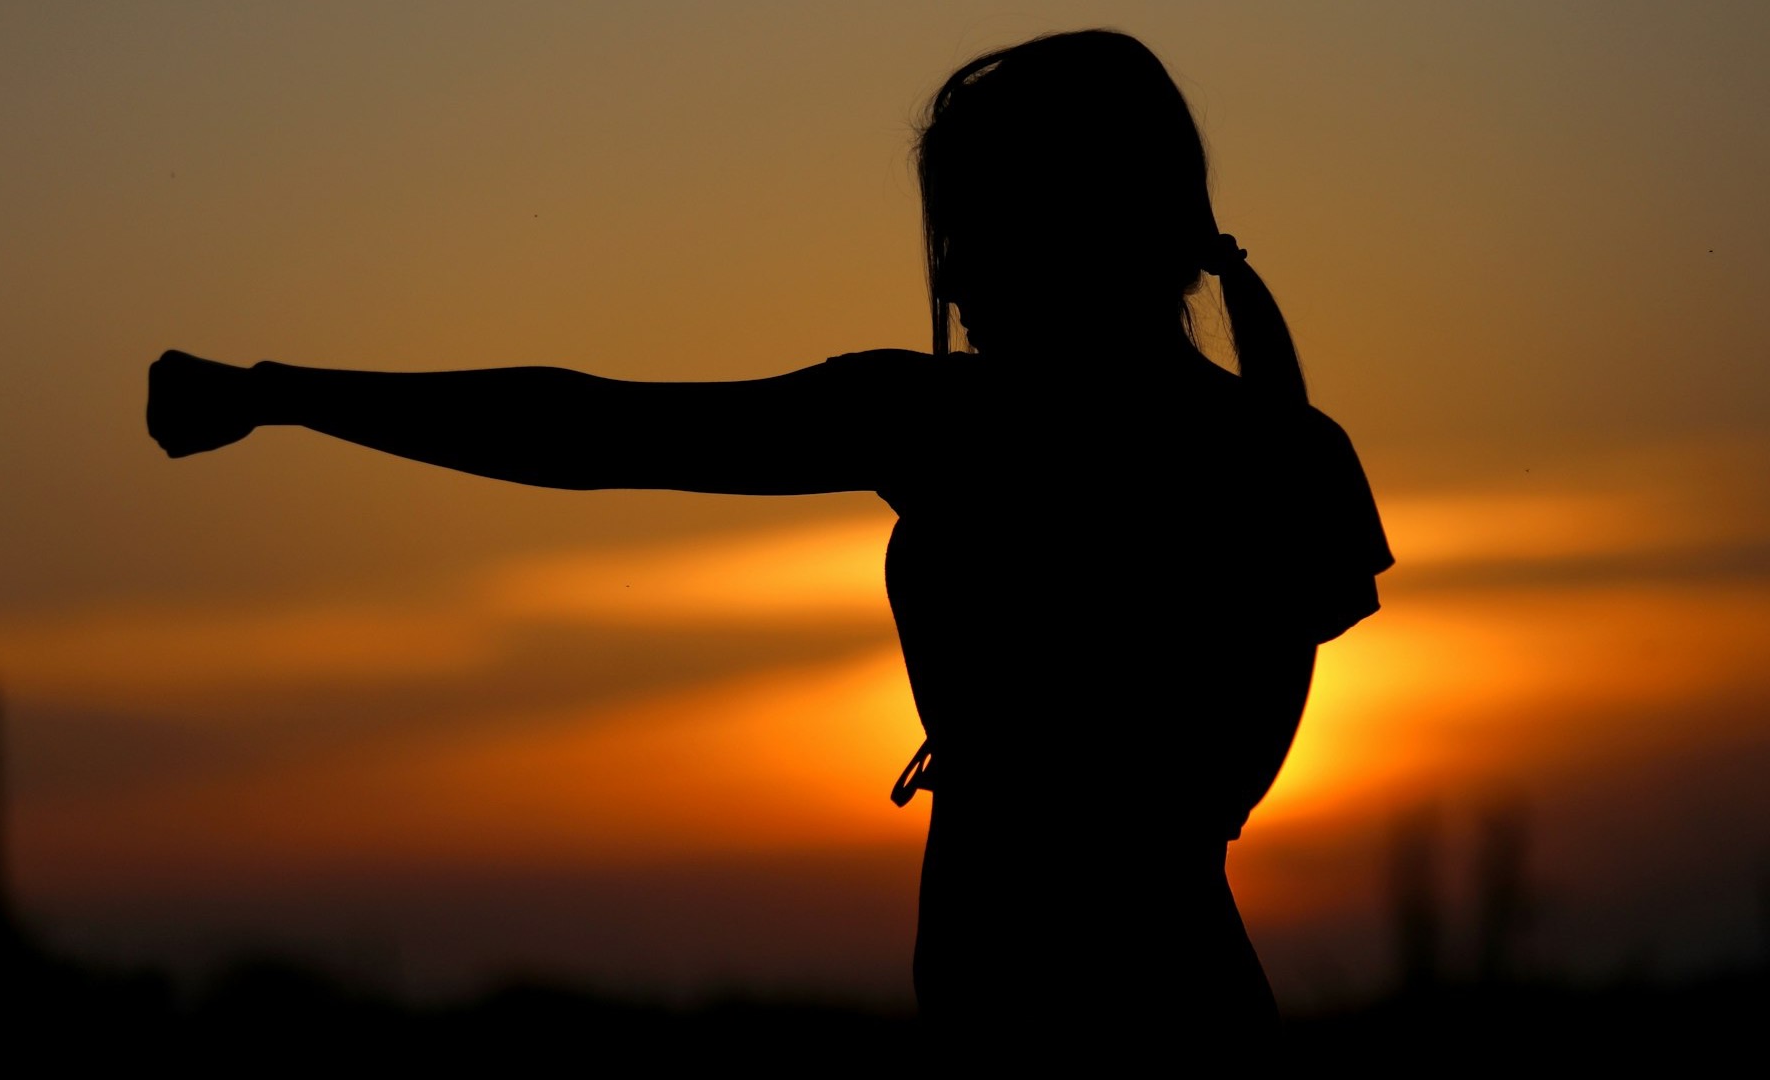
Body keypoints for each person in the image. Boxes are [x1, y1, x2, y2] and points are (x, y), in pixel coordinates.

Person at [146, 28, 1392, 1054]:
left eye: (977, 229)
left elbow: (597, 432)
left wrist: (285, 393)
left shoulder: (955, 431)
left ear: (1076, 221)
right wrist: (288, 393)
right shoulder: (1288, 458)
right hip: (1173, 1019)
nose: (951, 278)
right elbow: (1221, 776)